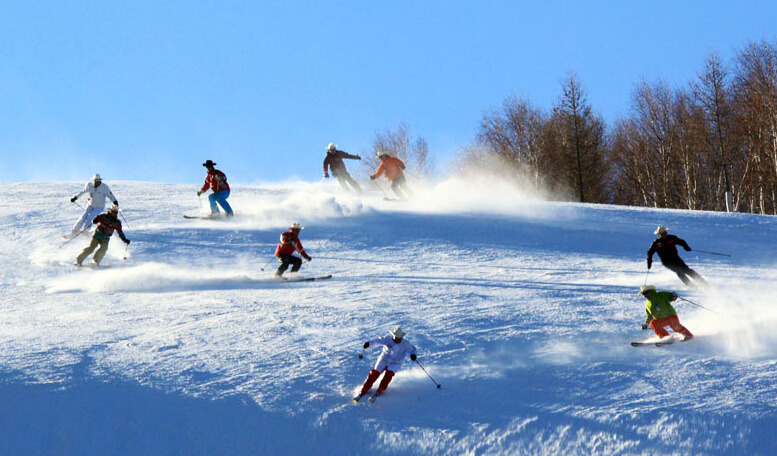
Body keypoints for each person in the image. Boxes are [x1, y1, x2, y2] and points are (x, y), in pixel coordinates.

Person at [355, 326, 417, 401]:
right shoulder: (388, 339)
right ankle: (365, 388)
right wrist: (369, 343)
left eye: (399, 337)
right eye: (396, 337)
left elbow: (413, 350)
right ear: (393, 336)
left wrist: (413, 355)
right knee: (375, 373)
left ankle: (381, 389)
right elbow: (378, 341)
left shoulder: (405, 343)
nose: (398, 339)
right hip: (384, 359)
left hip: (396, 362)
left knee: (389, 374)